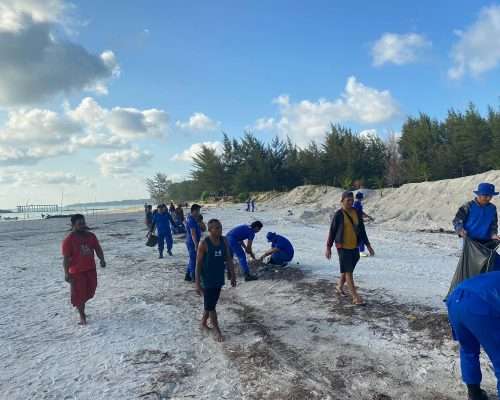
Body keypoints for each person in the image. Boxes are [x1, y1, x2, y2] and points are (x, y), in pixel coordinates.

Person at [447, 270, 500, 400]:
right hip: (479, 304)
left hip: (455, 299)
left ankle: (474, 393)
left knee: (468, 349)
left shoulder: (494, 274)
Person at [325, 191, 374, 305]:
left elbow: (362, 230)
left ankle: (339, 286)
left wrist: (368, 246)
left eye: (352, 200)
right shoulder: (338, 214)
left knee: (348, 268)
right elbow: (332, 232)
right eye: (348, 200)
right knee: (348, 272)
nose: (350, 202)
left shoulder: (356, 212)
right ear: (342, 201)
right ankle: (355, 297)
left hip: (354, 246)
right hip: (342, 247)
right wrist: (328, 247)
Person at [195, 218, 236, 342]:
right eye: (216, 228)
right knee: (211, 306)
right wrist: (197, 283)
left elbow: (228, 258)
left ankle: (203, 323)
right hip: (207, 279)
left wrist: (232, 274)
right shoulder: (204, 243)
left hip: (218, 277)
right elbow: (198, 264)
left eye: (220, 227)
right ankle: (216, 329)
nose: (219, 230)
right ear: (210, 230)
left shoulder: (224, 241)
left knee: (211, 303)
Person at [62, 214, 106, 325]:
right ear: (73, 225)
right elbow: (66, 259)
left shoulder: (91, 236)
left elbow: (98, 249)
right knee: (80, 295)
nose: (82, 225)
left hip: (90, 269)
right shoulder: (69, 240)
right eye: (79, 224)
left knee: (90, 292)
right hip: (76, 272)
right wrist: (66, 273)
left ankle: (80, 304)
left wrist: (102, 259)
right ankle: (82, 316)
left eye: (83, 223)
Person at [353, 192, 374, 256]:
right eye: (361, 197)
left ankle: (358, 250)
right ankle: (361, 251)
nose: (362, 199)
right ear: (360, 197)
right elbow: (356, 213)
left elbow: (360, 212)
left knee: (360, 236)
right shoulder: (356, 203)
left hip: (359, 222)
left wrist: (367, 216)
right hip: (358, 223)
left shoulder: (357, 203)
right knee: (361, 237)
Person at [185, 204, 202, 281]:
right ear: (194, 211)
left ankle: (187, 275)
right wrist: (196, 244)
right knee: (193, 259)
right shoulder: (191, 220)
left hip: (193, 241)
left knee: (192, 258)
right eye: (198, 211)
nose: (199, 212)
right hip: (192, 242)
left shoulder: (194, 219)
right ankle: (193, 277)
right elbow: (193, 233)